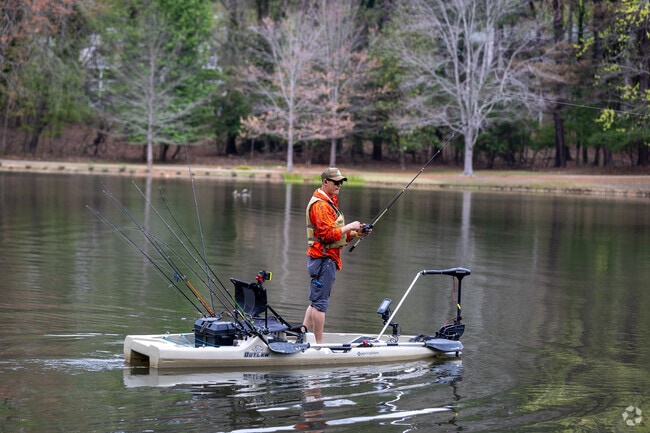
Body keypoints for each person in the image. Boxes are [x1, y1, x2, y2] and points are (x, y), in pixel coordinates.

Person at [302, 167, 371, 343]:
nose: (339, 185)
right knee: (320, 305)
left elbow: (337, 235)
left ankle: (301, 335)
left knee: (316, 301)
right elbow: (327, 235)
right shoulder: (321, 205)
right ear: (325, 182)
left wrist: (357, 233)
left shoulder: (329, 202)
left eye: (341, 182)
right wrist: (350, 226)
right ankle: (319, 345)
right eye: (336, 182)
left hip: (324, 258)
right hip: (323, 260)